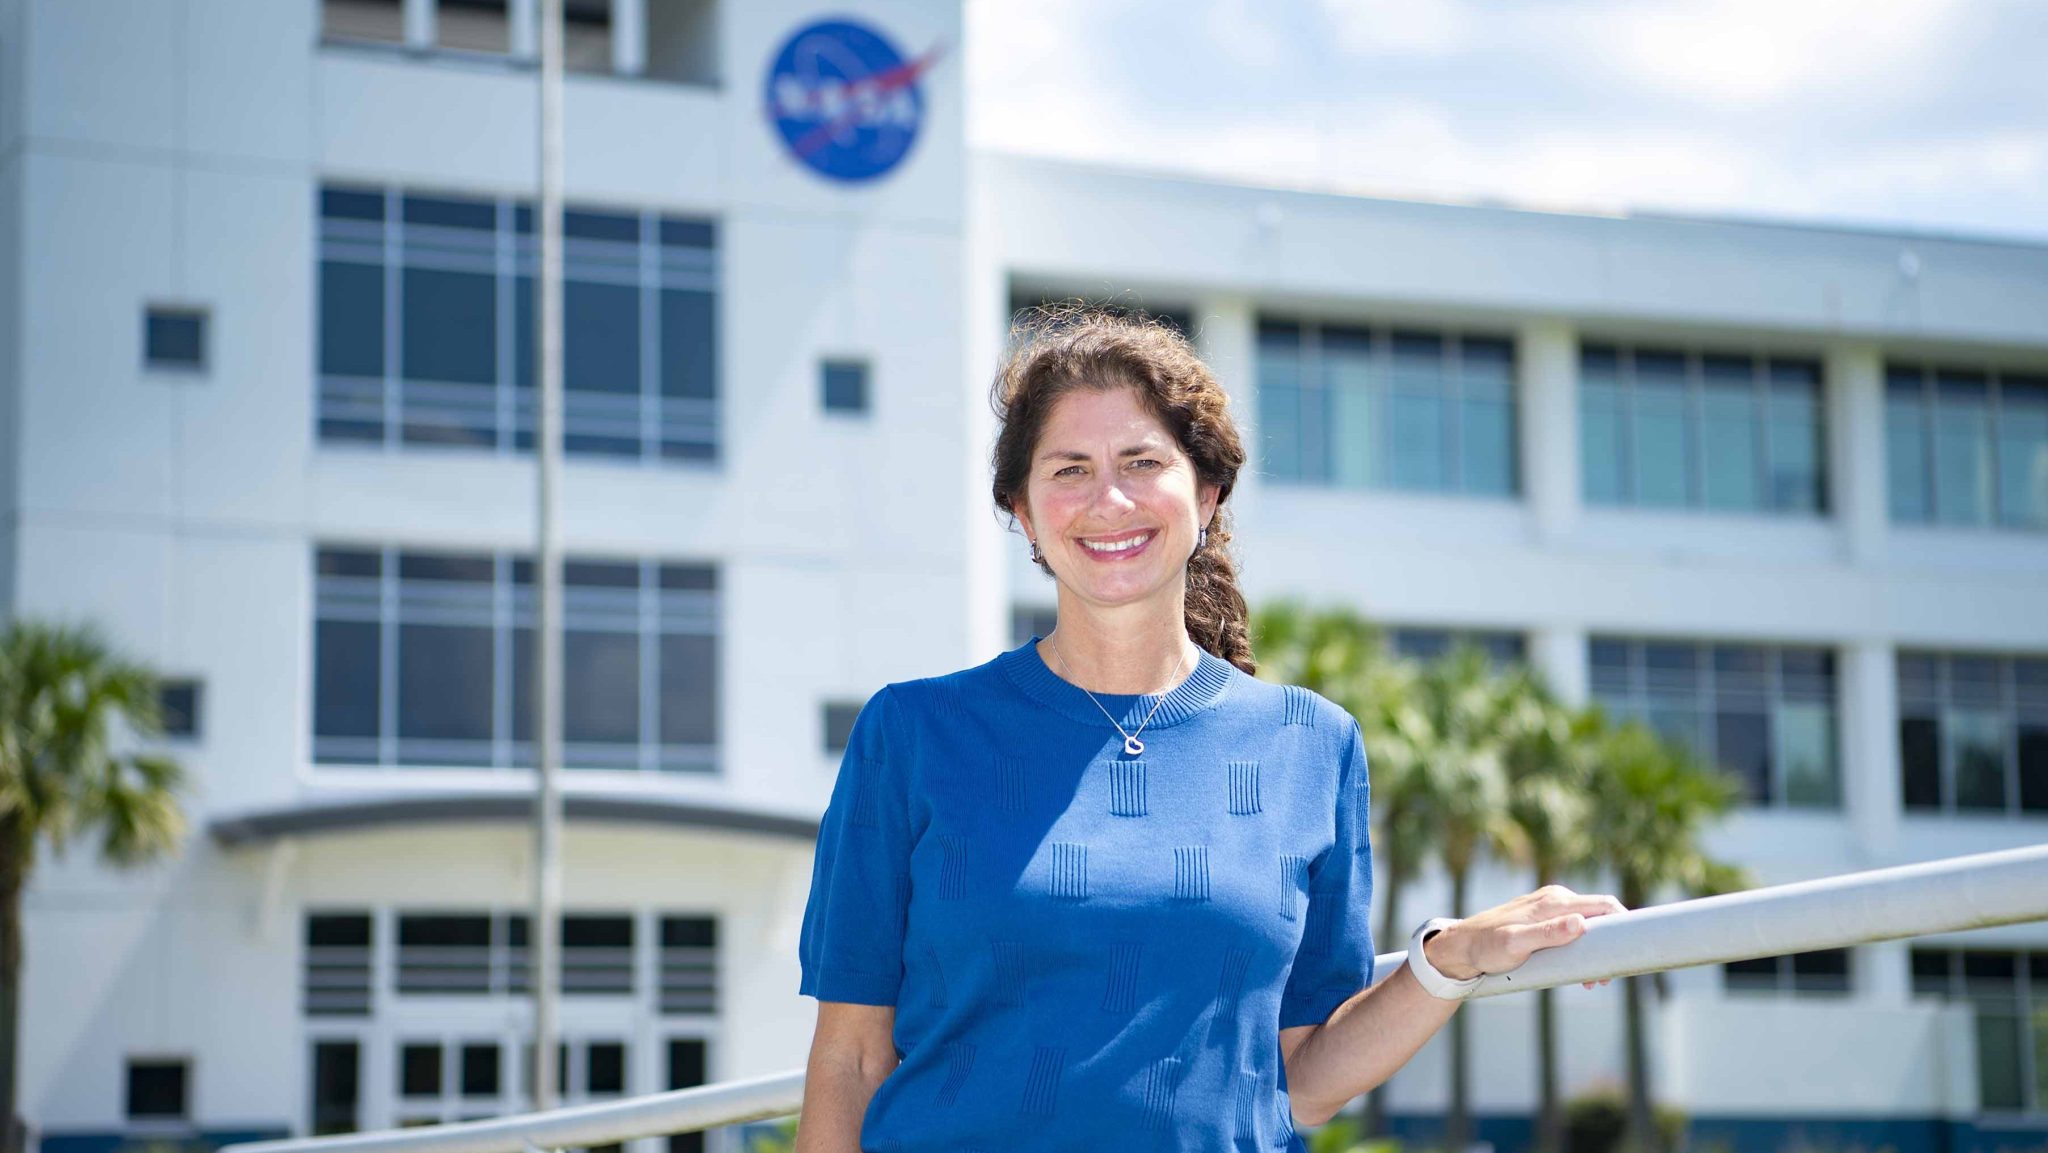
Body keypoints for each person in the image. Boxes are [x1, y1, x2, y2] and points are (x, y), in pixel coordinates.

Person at [793, 307, 1622, 1151]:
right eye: (1069, 469)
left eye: (1143, 462)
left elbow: (1302, 1074)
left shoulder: (1313, 744)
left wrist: (1449, 960)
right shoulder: (914, 732)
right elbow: (851, 1062)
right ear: (1023, 509)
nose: (1107, 499)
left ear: (1209, 491)